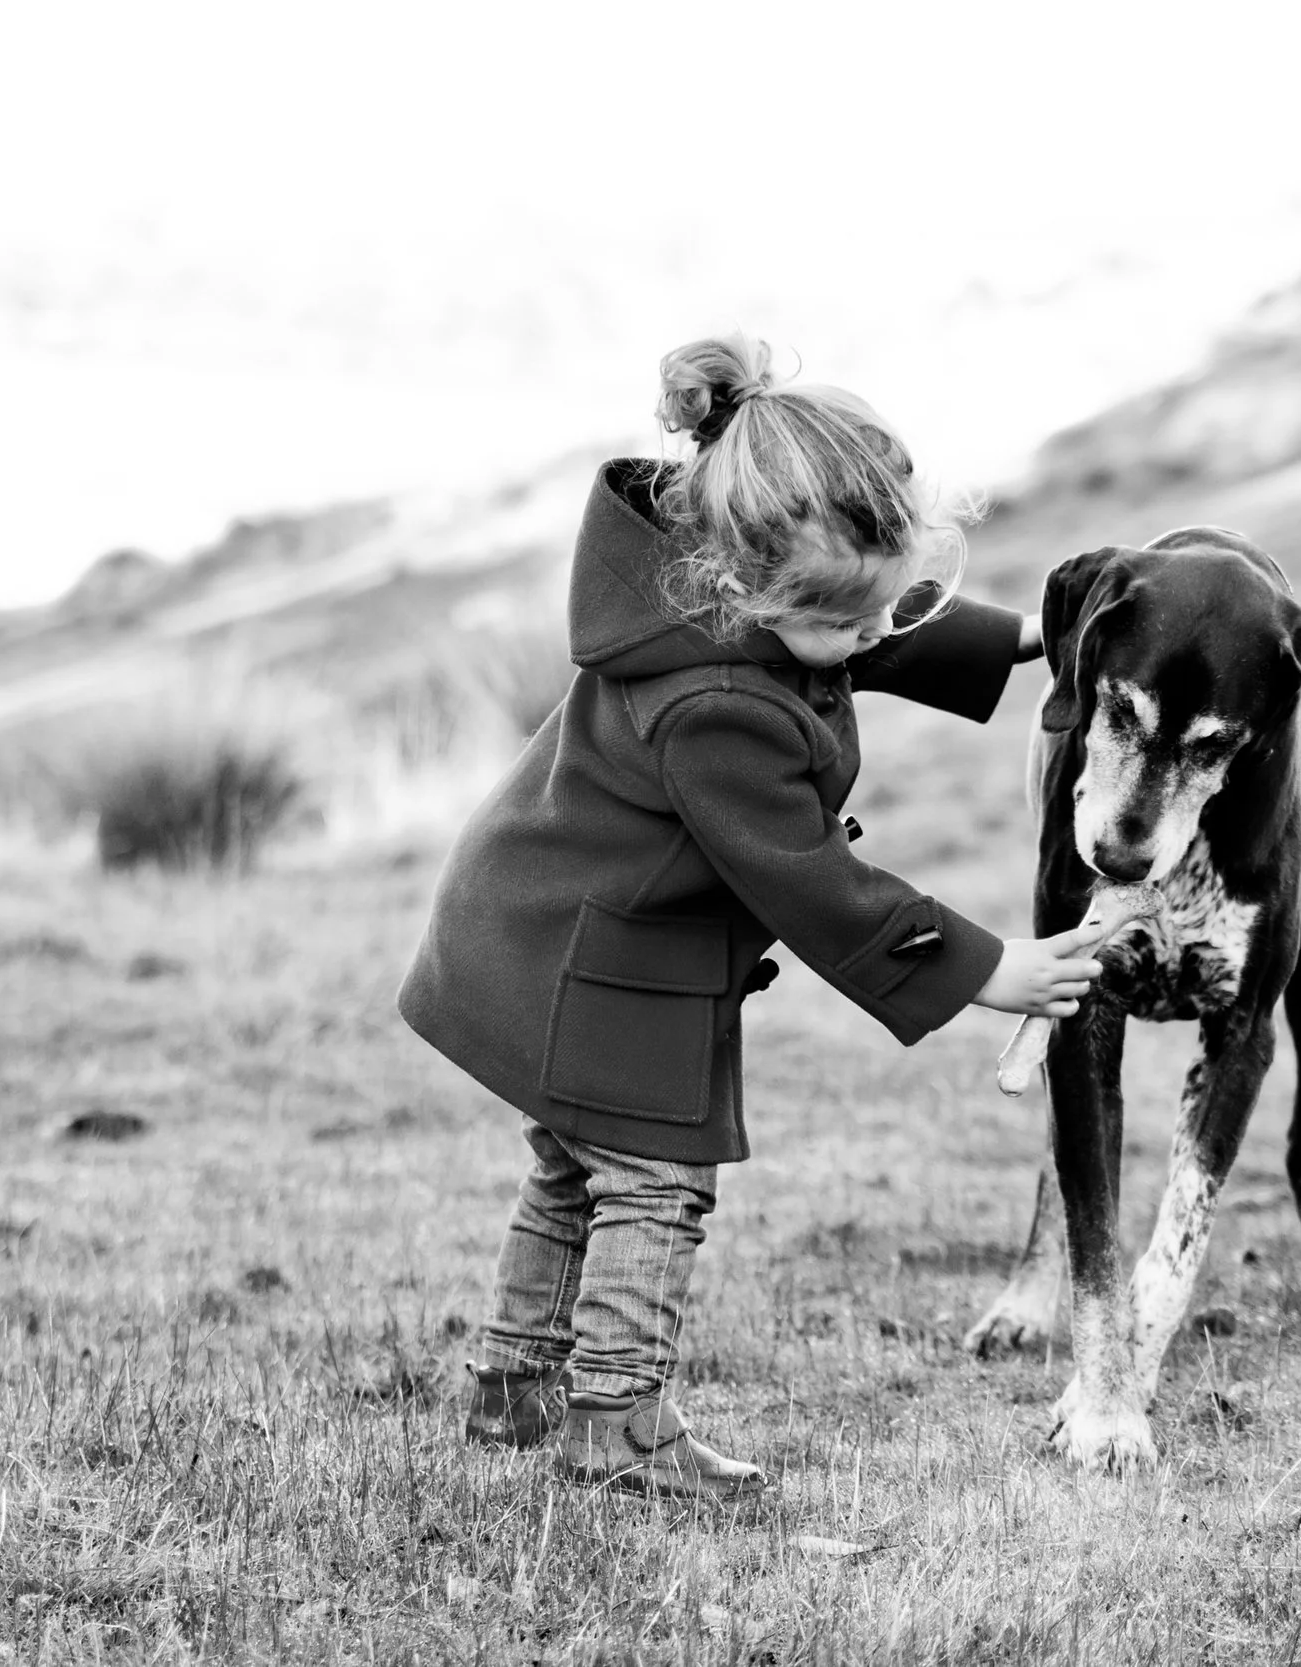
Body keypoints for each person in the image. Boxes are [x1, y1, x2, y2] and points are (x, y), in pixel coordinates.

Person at [396, 335, 1110, 1500]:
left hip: (543, 926)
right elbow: (814, 883)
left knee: (577, 1167)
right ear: (750, 592)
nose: (869, 641)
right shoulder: (718, 702)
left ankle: (515, 1384)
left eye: (880, 610)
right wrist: (990, 968)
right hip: (588, 955)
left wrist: (1032, 634)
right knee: (654, 1179)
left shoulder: (717, 599)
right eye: (847, 624)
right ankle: (615, 1418)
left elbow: (855, 630)